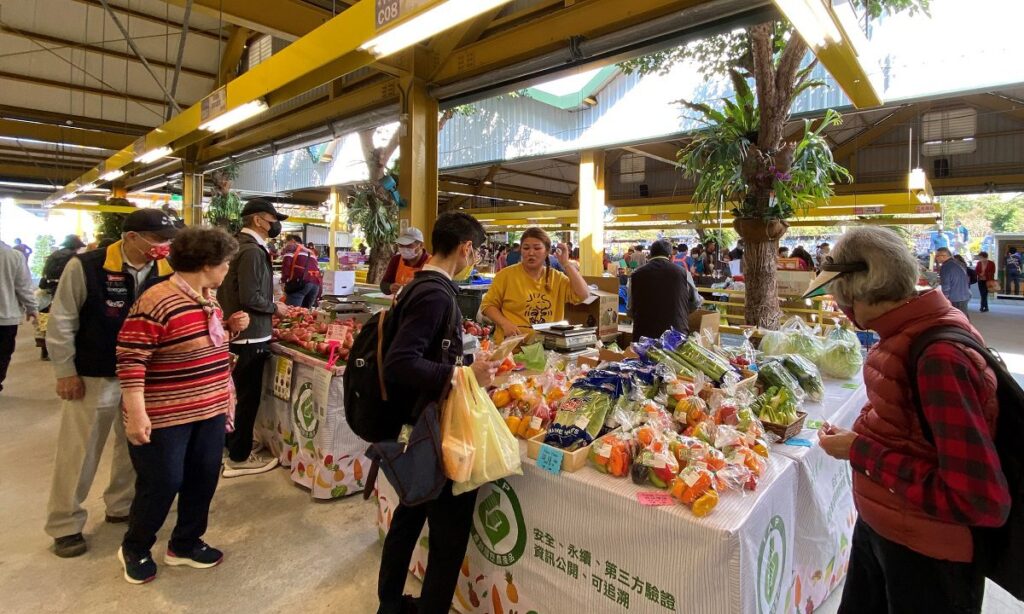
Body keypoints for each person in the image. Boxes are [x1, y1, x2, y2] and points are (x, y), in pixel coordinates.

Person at [812, 226, 1008, 614]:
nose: (844, 313)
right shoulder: (906, 331)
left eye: (846, 302)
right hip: (884, 528)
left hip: (927, 555)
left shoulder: (939, 357)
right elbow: (910, 428)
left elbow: (977, 498)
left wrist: (861, 450)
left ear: (863, 291)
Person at [377, 212, 500, 614]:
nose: (475, 258)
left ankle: (390, 604)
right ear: (466, 248)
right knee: (449, 536)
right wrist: (463, 374)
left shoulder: (417, 285)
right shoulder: (435, 294)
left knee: (409, 515)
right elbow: (400, 362)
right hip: (434, 426)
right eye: (476, 251)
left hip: (417, 423)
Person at [115, 227, 250, 584]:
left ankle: (185, 542)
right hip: (165, 412)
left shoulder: (208, 297)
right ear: (207, 264)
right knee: (162, 482)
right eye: (224, 263)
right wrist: (137, 411)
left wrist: (230, 329)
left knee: (203, 477)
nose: (227, 270)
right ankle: (136, 546)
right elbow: (131, 358)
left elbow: (201, 341)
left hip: (208, 408)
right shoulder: (157, 300)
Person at [44, 209, 177, 558]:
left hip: (146, 377)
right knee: (80, 451)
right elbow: (61, 321)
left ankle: (120, 505)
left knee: (133, 446)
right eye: (158, 239)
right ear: (131, 237)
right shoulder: (87, 266)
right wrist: (65, 371)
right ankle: (65, 524)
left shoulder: (166, 270)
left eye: (167, 240)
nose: (164, 246)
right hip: (95, 375)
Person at [219, 198, 288, 478]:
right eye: (272, 220)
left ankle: (232, 444)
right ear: (259, 220)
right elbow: (251, 297)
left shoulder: (237, 247)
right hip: (250, 336)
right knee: (247, 398)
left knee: (237, 396)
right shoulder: (251, 252)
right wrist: (276, 307)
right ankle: (239, 456)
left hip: (239, 332)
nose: (275, 226)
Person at [482, 227, 589, 342]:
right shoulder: (505, 276)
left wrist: (566, 263)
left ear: (547, 251)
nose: (531, 253)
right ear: (521, 250)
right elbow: (488, 306)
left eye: (537, 248)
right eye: (526, 248)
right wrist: (505, 324)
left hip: (547, 347)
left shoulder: (557, 278)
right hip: (511, 348)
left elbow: (583, 295)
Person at [628, 240, 701, 339]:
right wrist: (680, 311)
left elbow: (630, 309)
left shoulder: (635, 275)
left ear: (650, 255)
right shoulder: (683, 273)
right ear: (670, 256)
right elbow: (696, 302)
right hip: (676, 334)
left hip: (643, 336)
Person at [0, 240, 38, 391]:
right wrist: (32, 307)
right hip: (6, 316)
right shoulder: (14, 256)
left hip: (7, 316)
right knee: (2, 354)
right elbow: (23, 286)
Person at [380, 228, 431, 295]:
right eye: (401, 245)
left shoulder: (431, 262)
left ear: (421, 245)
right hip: (399, 304)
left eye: (409, 245)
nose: (404, 248)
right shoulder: (396, 260)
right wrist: (390, 287)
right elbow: (383, 284)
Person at [280, 234, 322, 308]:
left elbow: (286, 265)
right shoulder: (310, 251)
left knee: (292, 313)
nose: (285, 244)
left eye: (286, 242)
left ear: (292, 241)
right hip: (315, 285)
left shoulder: (291, 247)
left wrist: (283, 281)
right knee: (305, 314)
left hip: (300, 284)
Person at [935, 247, 971, 316]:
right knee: (964, 317)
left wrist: (944, 299)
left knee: (957, 319)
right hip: (964, 294)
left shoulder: (946, 266)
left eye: (937, 256)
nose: (936, 258)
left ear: (943, 256)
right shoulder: (958, 263)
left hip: (955, 297)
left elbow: (946, 285)